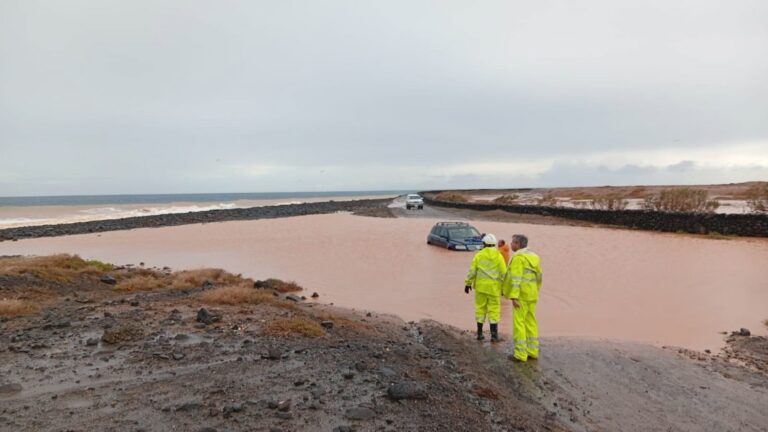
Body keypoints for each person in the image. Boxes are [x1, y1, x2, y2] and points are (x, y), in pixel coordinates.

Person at [503, 234, 543, 362]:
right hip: (532, 294)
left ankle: (520, 354)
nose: (510, 244)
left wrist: (513, 296)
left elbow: (516, 279)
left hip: (521, 295)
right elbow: (539, 278)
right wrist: (535, 291)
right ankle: (533, 351)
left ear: (518, 244)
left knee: (519, 323)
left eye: (512, 242)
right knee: (531, 322)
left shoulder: (519, 258)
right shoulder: (535, 257)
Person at [464, 234, 507, 342]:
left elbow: (472, 271)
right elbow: (504, 274)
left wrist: (468, 284)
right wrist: (504, 289)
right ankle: (494, 336)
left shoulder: (479, 255)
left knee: (480, 309)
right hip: (494, 289)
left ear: (484, 244)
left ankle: (479, 334)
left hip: (481, 288)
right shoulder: (499, 256)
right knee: (494, 310)